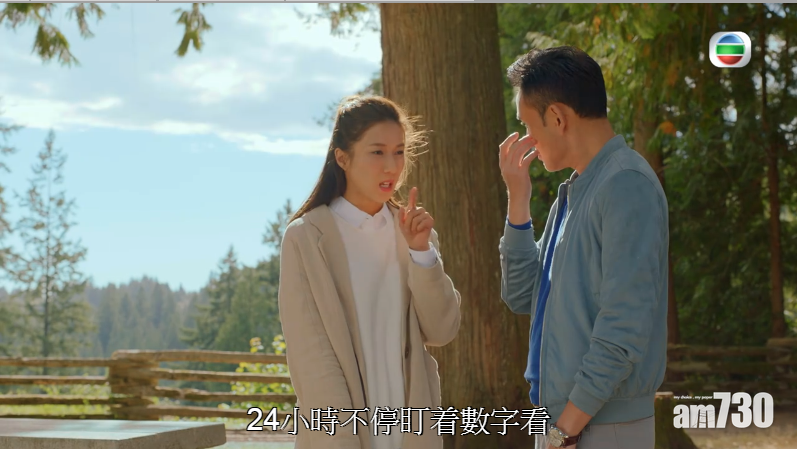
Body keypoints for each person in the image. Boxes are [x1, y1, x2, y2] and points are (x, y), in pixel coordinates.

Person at [498, 46, 669, 449]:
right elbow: (522, 295)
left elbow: (623, 328)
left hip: (598, 426)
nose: (527, 140)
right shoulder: (574, 193)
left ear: (557, 117)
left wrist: (566, 429)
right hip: (563, 424)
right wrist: (518, 198)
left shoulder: (626, 184)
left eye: (528, 125)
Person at [278, 95, 461, 449]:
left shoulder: (414, 234)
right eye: (377, 152)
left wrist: (421, 252)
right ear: (342, 158)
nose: (391, 166)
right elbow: (312, 358)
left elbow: (442, 330)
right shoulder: (306, 238)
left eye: (399, 152)